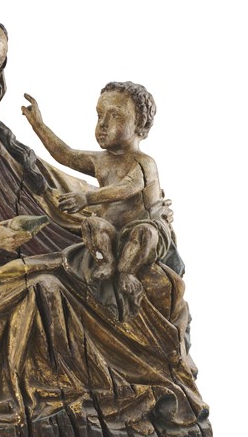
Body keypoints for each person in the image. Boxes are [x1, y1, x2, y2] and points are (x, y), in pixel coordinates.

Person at [0, 11, 208, 437]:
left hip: (51, 237)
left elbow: (50, 178)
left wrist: (135, 207)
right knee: (52, 289)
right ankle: (91, 398)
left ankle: (163, 378)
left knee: (156, 280)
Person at [22, 83, 169, 305]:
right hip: (111, 230)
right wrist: (39, 125)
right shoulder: (101, 160)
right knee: (91, 225)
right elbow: (65, 155)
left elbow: (126, 188)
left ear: (139, 122)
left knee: (144, 233)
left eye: (115, 116)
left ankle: (127, 272)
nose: (103, 124)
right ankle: (107, 261)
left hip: (142, 230)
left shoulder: (144, 163)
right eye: (100, 115)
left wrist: (87, 198)